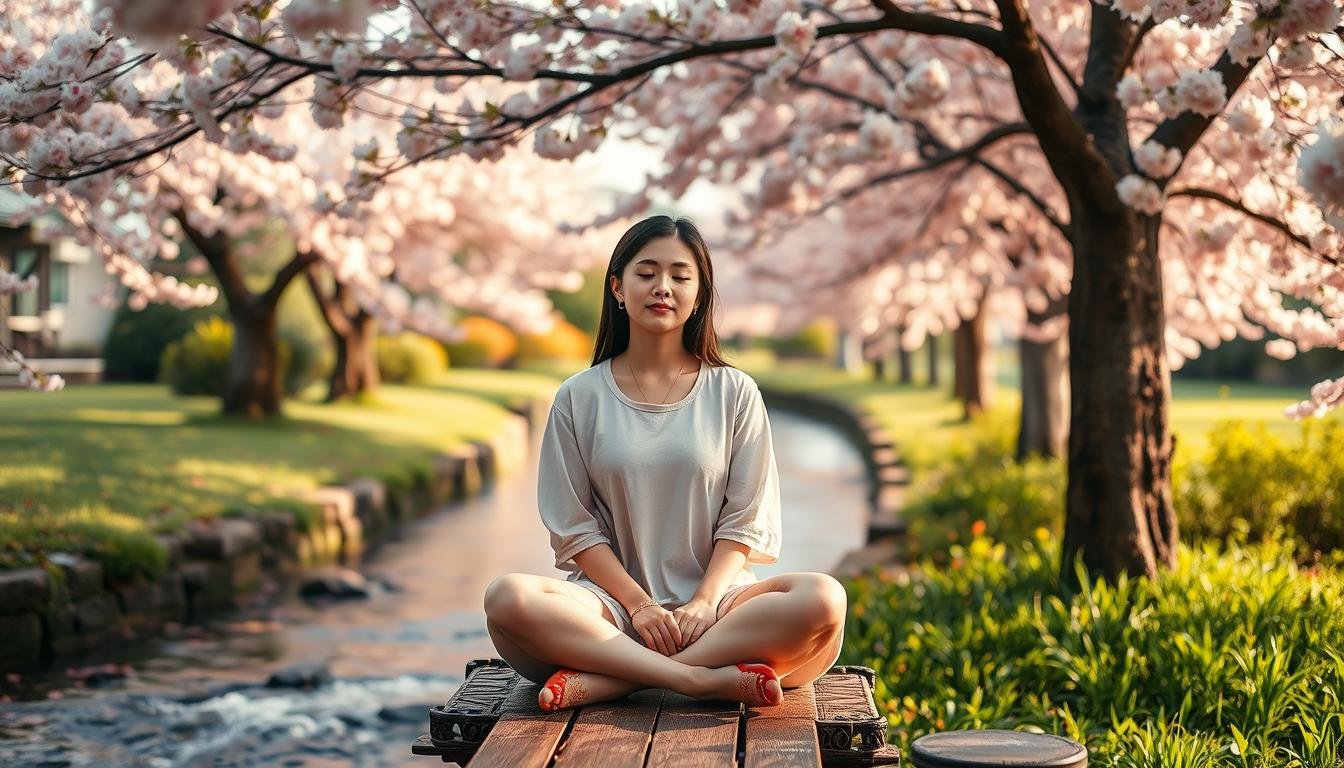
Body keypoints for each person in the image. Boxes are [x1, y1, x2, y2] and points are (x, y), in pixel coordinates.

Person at [483, 215, 848, 711]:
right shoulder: (578, 397)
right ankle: (697, 680)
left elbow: (745, 520)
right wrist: (639, 605)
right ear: (617, 286)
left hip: (720, 609)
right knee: (508, 599)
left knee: (824, 599)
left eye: (680, 275)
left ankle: (619, 679)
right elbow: (574, 529)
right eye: (646, 272)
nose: (663, 287)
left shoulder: (733, 391)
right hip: (609, 610)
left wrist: (702, 602)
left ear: (699, 294)